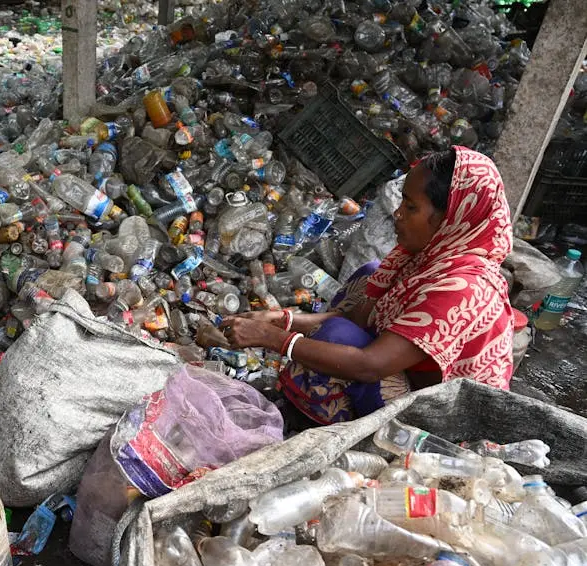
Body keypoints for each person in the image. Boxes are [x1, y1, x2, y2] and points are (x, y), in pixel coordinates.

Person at [221, 147, 515, 425]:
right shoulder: (424, 258)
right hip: (400, 370)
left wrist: (270, 338)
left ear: (450, 219)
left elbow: (369, 364)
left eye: (410, 207)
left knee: (337, 338)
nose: (397, 214)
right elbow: (355, 318)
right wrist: (283, 320)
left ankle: (314, 421)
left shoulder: (462, 288)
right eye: (402, 201)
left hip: (440, 423)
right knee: (369, 275)